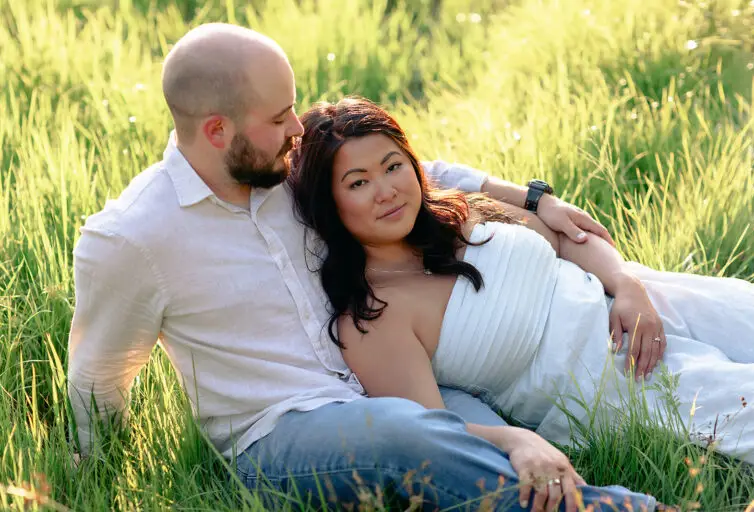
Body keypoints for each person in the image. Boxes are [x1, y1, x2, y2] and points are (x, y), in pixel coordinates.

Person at [67, 23, 661, 512]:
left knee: (506, 446)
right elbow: (98, 379)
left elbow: (409, 169)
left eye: (294, 110)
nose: (297, 130)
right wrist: (93, 483)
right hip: (282, 431)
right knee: (414, 438)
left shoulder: (278, 167)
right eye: (279, 119)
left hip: (385, 386)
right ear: (218, 131)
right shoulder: (132, 238)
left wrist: (535, 200)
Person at [290, 97, 754, 474]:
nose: (387, 190)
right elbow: (434, 430)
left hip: (640, 298)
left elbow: (567, 239)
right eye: (358, 183)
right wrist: (517, 440)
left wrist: (625, 284)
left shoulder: (456, 213)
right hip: (610, 380)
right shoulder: (373, 317)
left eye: (393, 166)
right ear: (328, 205)